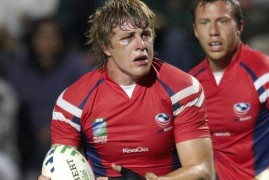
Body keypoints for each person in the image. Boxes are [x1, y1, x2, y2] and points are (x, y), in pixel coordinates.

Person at [38, 0, 214, 179]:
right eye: (127, 38)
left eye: (145, 35)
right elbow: (61, 165)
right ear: (106, 46)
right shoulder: (72, 101)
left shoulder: (182, 89)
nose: (141, 45)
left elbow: (202, 170)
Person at [188, 0, 269, 179]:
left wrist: (267, 177)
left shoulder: (267, 74)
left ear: (239, 27)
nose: (213, 32)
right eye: (204, 23)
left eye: (222, 21)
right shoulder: (191, 84)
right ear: (195, 31)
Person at [8, 16, 89, 179]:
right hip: (27, 138)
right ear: (33, 39)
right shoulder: (21, 66)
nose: (47, 42)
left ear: (61, 39)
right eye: (42, 36)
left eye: (52, 36)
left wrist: (54, 130)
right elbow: (10, 104)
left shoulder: (75, 65)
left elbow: (87, 104)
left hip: (68, 135)